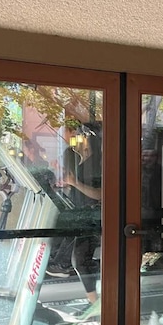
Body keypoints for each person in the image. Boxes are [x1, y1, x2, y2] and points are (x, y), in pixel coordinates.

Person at [58, 126, 103, 304]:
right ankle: (95, 301)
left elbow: (100, 194)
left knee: (79, 260)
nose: (75, 139)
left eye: (79, 136)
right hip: (82, 217)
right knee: (78, 259)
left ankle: (96, 303)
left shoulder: (97, 163)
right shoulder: (83, 162)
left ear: (87, 140)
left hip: (92, 219)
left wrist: (75, 183)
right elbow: (79, 190)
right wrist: (67, 186)